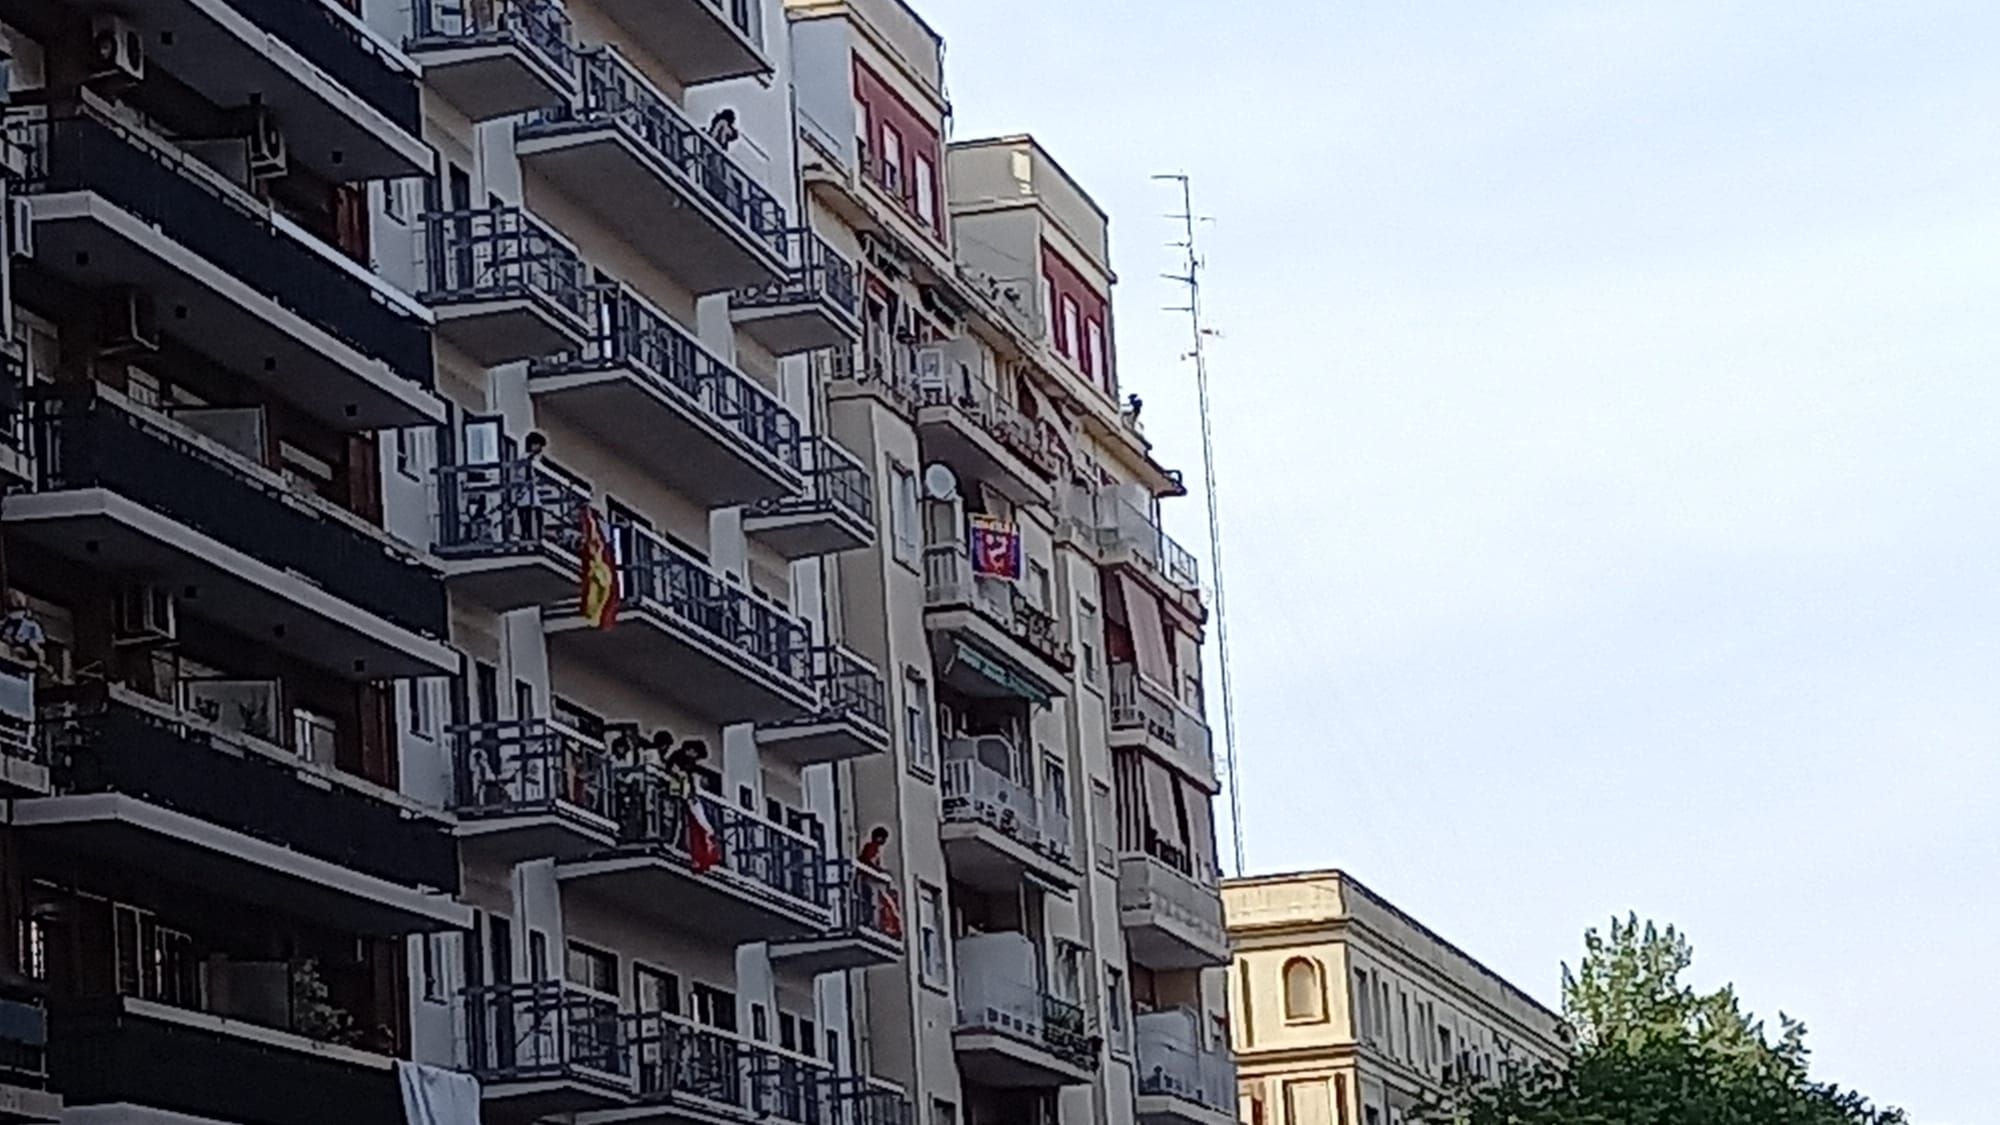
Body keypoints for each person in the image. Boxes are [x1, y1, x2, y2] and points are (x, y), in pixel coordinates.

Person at [511, 431, 547, 542]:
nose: (539, 448)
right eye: (538, 445)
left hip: (528, 492)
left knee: (532, 514)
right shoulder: (526, 459)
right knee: (529, 515)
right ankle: (530, 537)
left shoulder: (531, 459)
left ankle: (532, 536)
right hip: (525, 491)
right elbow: (524, 475)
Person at [0, 591, 46, 669]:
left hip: (23, 662)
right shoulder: (4, 623)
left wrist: (34, 648)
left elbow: (38, 652)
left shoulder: (31, 626)